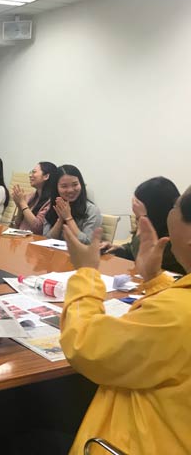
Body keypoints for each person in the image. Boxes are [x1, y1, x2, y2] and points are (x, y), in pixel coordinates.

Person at [59, 186, 191, 454]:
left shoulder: (176, 314)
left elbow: (85, 345)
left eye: (175, 206)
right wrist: (154, 279)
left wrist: (86, 272)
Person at [100, 177, 184, 274]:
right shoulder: (155, 223)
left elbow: (143, 258)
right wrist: (118, 249)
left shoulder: (177, 235)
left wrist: (142, 218)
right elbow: (133, 248)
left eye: (138, 207)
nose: (135, 212)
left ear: (154, 208)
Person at [43, 165, 102, 244]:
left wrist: (68, 218)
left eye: (75, 184)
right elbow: (46, 240)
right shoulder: (53, 207)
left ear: (81, 184)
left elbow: (88, 243)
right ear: (56, 188)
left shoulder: (92, 210)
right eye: (64, 186)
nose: (70, 190)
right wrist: (60, 219)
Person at [11, 162, 57, 234]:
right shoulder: (31, 196)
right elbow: (17, 225)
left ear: (46, 176)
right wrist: (20, 208)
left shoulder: (51, 201)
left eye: (34, 172)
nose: (30, 176)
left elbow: (37, 228)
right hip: (20, 236)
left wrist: (22, 203)